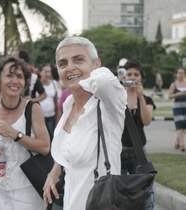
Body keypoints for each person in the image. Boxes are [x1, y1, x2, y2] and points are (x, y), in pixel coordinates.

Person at [43, 36, 127, 210]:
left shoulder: (108, 105)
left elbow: (103, 82)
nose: (70, 67)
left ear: (97, 64)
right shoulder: (68, 107)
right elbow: (70, 150)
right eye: (62, 64)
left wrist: (78, 78)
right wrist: (55, 171)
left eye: (78, 60)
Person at [0, 57, 50, 210]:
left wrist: (15, 134)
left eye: (20, 76)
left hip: (25, 190)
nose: (15, 81)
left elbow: (44, 147)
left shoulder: (32, 108)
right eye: (9, 75)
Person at [121, 58, 156, 210]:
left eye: (136, 74)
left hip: (139, 150)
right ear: (124, 76)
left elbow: (147, 121)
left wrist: (140, 96)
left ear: (141, 78)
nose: (133, 77)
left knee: (145, 189)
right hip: (119, 150)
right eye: (129, 74)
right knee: (119, 189)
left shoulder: (147, 99)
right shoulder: (117, 97)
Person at [38, 64, 59, 140]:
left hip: (51, 117)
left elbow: (55, 101)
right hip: (39, 118)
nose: (48, 74)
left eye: (49, 72)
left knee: (51, 137)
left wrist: (57, 116)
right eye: (45, 72)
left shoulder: (54, 83)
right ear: (40, 72)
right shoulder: (36, 85)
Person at [168, 68, 186, 152]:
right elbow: (169, 96)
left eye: (182, 73)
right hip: (177, 107)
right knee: (180, 124)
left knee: (183, 125)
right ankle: (182, 145)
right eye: (179, 73)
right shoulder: (174, 84)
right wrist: (177, 94)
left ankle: (177, 142)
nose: (181, 75)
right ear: (177, 74)